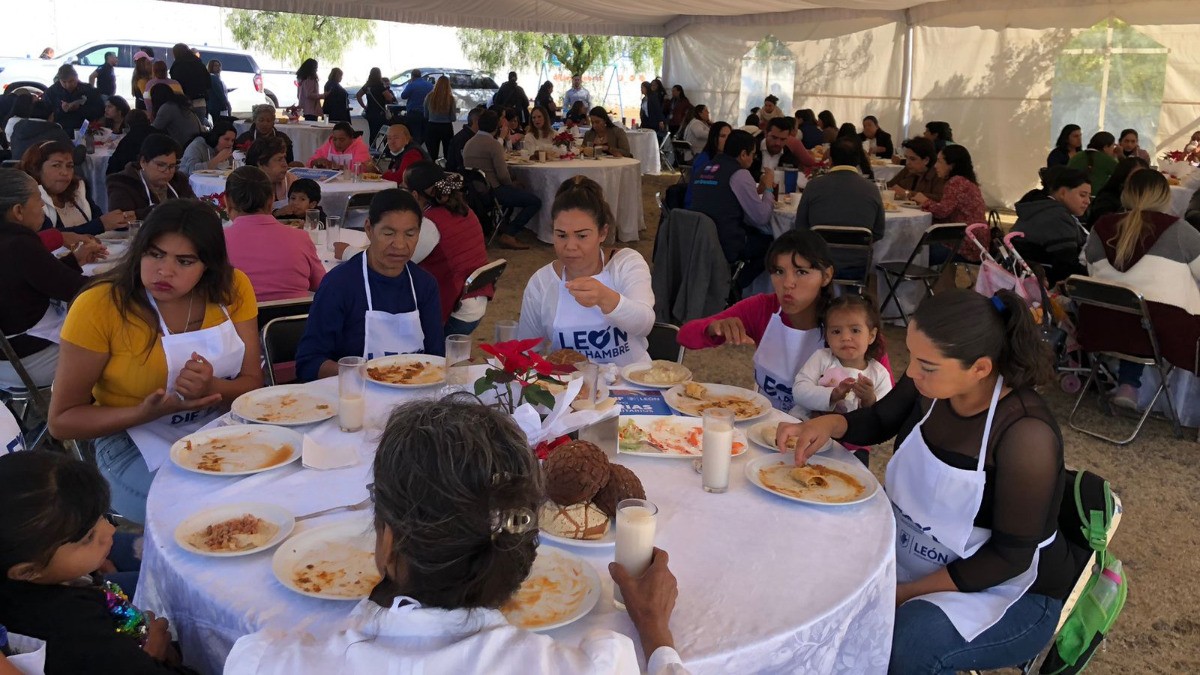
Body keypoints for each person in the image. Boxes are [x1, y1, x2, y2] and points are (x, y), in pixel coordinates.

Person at [225, 396, 684, 675]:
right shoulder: (595, 664)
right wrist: (655, 632)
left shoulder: (267, 663)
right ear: (523, 554)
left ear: (386, 545)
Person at [778, 288, 1072, 674]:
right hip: (915, 551)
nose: (912, 372)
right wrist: (829, 424)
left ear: (980, 368)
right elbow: (882, 418)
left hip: (1006, 591)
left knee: (907, 641)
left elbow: (1009, 557)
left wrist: (902, 595)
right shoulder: (934, 382)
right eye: (912, 358)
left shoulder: (1025, 434)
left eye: (926, 365)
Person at [48, 200, 263, 523]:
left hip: (217, 427)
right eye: (155, 254)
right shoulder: (100, 306)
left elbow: (252, 385)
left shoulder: (232, 288)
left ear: (209, 265)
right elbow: (62, 420)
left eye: (185, 261)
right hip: (130, 437)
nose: (165, 271)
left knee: (270, 497)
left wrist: (212, 386)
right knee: (208, 516)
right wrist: (144, 412)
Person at [0, 451, 198, 673]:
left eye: (104, 515)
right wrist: (146, 660)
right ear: (28, 571)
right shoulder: (76, 632)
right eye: (88, 537)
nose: (110, 530)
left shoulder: (35, 571)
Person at [678, 230, 834, 411]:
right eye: (779, 271)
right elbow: (685, 335)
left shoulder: (846, 321)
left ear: (827, 276)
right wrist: (713, 327)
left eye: (801, 272)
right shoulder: (763, 308)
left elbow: (867, 408)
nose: (787, 283)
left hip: (823, 432)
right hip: (765, 424)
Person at [295, 190, 442, 380]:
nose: (399, 244)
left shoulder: (424, 284)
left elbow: (437, 356)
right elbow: (309, 363)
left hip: (414, 395)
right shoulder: (340, 284)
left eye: (410, 234)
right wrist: (363, 374)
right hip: (355, 396)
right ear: (369, 229)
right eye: (388, 233)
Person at [1086, 170, 1200, 409]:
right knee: (1152, 314)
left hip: (1103, 327)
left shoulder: (1101, 227)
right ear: (1166, 197)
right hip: (1165, 335)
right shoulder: (1180, 231)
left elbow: (1091, 271)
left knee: (1136, 310)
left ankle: (1130, 384)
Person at [517, 176, 653, 365]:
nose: (570, 246)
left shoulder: (625, 264)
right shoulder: (542, 282)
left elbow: (644, 324)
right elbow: (526, 349)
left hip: (631, 381)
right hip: (568, 385)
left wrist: (605, 297)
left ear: (602, 233)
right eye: (561, 235)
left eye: (582, 236)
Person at [0, 170, 96, 389]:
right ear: (18, 211)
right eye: (38, 200)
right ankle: (87, 415)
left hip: (9, 359)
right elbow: (75, 289)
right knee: (111, 346)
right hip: (27, 362)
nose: (43, 207)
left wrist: (75, 261)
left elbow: (41, 278)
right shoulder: (18, 245)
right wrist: (124, 280)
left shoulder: (10, 241)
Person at [405, 162, 491, 335]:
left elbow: (395, 260)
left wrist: (348, 252)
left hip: (457, 309)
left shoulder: (430, 224)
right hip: (476, 299)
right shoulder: (464, 210)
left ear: (414, 195)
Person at [790, 295, 892, 434]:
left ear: (871, 336)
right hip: (804, 428)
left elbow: (885, 417)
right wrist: (833, 394)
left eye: (855, 330)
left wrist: (869, 399)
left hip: (850, 443)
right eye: (836, 331)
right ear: (826, 336)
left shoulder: (879, 373)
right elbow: (799, 392)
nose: (845, 337)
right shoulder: (821, 358)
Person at [223, 166, 324, 301]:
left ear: (227, 202)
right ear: (271, 200)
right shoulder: (301, 238)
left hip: (237, 320)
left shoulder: (218, 241)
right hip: (294, 319)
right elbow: (322, 283)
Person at [690, 129, 776, 287]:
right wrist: (769, 188)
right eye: (753, 154)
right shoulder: (739, 173)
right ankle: (733, 287)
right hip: (725, 242)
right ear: (743, 154)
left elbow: (722, 197)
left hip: (696, 239)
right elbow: (761, 217)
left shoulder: (705, 168)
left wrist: (759, 190)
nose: (753, 159)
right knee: (771, 244)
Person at [463, 110, 542, 250]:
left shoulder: (469, 142)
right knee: (535, 202)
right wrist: (513, 184)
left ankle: (504, 225)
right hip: (493, 190)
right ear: (496, 128)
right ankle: (509, 233)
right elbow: (503, 176)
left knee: (515, 191)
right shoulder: (493, 145)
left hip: (475, 190)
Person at [20, 140, 131, 235]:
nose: (65, 172)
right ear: (36, 169)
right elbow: (50, 236)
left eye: (69, 166)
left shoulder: (78, 189)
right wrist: (100, 225)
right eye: (56, 165)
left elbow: (99, 219)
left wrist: (119, 221)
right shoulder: (31, 200)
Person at [794, 137, 886, 244]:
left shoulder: (813, 186)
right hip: (858, 258)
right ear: (858, 161)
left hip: (818, 256)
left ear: (831, 160)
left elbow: (800, 227)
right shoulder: (872, 189)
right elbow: (879, 232)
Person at [1009, 167, 1090, 284]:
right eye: (1083, 195)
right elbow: (1067, 267)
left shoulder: (1039, 207)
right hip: (1049, 286)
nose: (1087, 201)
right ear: (1062, 193)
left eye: (1089, 196)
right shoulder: (1056, 217)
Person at [913, 144, 987, 260]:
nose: (935, 166)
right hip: (975, 241)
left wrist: (925, 200)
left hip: (963, 243)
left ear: (951, 165)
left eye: (939, 161)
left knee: (914, 250)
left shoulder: (956, 182)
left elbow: (943, 211)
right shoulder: (967, 181)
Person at [107, 135, 196, 220]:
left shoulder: (179, 179)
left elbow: (194, 208)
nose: (167, 171)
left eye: (172, 166)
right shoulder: (122, 183)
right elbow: (120, 220)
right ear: (143, 162)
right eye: (161, 165)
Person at [1084, 156, 1147, 229]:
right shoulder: (1106, 199)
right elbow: (1106, 225)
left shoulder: (1148, 198)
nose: (1140, 181)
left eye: (1144, 177)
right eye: (1135, 177)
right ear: (1123, 177)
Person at [684, 121, 731, 208]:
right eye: (723, 136)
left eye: (729, 136)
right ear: (714, 138)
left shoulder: (727, 159)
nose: (727, 140)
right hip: (698, 208)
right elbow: (702, 188)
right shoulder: (704, 160)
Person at [44, 65, 104, 132]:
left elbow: (99, 111)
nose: (68, 85)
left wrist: (80, 108)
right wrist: (62, 110)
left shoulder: (89, 90)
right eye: (64, 82)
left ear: (77, 77)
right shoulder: (51, 92)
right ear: (59, 80)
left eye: (71, 81)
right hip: (60, 130)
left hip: (84, 130)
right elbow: (46, 114)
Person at [889, 137, 946, 202]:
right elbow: (890, 185)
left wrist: (908, 194)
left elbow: (939, 198)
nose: (907, 163)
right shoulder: (908, 170)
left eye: (912, 159)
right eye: (906, 158)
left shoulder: (938, 174)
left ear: (926, 160)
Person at [245, 136, 295, 208]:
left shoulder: (291, 180)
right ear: (261, 163)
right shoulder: (246, 187)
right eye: (279, 159)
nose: (285, 165)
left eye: (284, 158)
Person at [106, 110, 159, 176]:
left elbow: (115, 163)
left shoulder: (128, 139)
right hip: (158, 169)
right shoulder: (158, 133)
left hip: (134, 175)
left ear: (128, 123)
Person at [168, 44, 210, 122]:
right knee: (199, 127)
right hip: (201, 102)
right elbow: (208, 82)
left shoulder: (177, 66)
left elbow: (177, 86)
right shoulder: (198, 63)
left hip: (185, 104)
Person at [308, 122, 373, 170]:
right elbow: (310, 161)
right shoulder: (329, 145)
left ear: (351, 138)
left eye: (342, 140)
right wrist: (316, 162)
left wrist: (335, 166)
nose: (337, 143)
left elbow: (361, 168)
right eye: (335, 139)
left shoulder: (360, 147)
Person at [355, 67, 395, 146]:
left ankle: (373, 151)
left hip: (370, 112)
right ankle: (385, 152)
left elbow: (358, 95)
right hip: (380, 113)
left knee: (373, 133)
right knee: (385, 132)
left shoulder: (367, 86)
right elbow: (389, 98)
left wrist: (364, 107)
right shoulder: (380, 86)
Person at [424, 76, 457, 161]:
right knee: (448, 152)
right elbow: (453, 118)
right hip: (446, 127)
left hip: (431, 126)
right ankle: (447, 170)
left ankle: (433, 171)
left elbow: (426, 115)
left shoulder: (429, 97)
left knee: (432, 154)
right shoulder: (450, 98)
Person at [400, 69, 434, 144]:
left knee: (415, 134)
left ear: (412, 76)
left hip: (414, 113)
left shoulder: (412, 84)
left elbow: (403, 96)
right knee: (424, 134)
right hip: (427, 113)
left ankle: (416, 150)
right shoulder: (430, 85)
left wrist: (409, 84)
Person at [446, 107, 483, 172]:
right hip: (462, 175)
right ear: (476, 121)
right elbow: (462, 163)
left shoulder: (471, 135)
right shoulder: (463, 139)